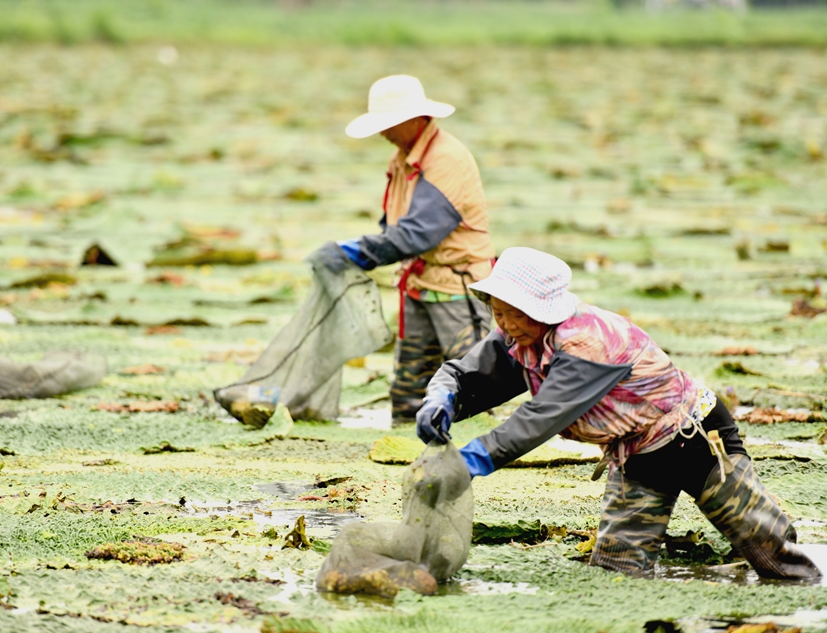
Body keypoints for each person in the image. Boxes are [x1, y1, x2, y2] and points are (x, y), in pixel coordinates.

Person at [415, 246, 820, 579]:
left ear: (542, 309)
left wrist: (470, 460)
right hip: (638, 456)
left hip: (695, 442)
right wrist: (442, 398)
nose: (504, 324)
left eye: (514, 313)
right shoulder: (517, 334)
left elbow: (541, 417)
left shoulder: (586, 344)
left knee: (774, 558)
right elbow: (467, 375)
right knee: (617, 572)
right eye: (497, 312)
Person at [339, 75, 495, 425]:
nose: (383, 133)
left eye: (388, 125)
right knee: (410, 391)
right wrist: (366, 248)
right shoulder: (403, 158)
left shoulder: (446, 159)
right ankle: (405, 451)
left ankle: (473, 459)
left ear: (413, 120)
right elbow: (393, 225)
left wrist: (360, 252)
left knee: (471, 387)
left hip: (458, 291)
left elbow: (419, 232)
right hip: (419, 286)